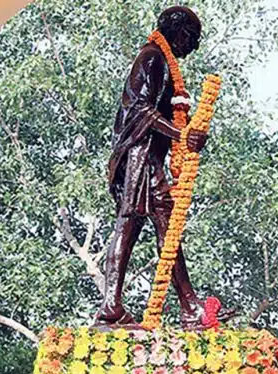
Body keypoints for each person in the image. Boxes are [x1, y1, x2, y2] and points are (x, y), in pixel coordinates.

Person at [93, 6, 235, 329]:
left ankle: (187, 306)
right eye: (191, 38)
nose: (192, 47)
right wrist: (182, 134)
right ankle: (112, 307)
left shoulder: (163, 63)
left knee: (165, 228)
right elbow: (140, 110)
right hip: (138, 157)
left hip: (150, 158)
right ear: (177, 30)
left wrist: (186, 134)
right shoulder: (153, 58)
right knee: (129, 226)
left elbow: (165, 114)